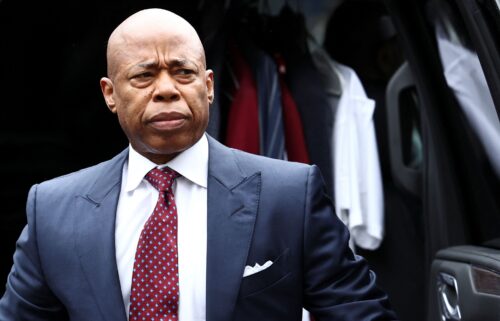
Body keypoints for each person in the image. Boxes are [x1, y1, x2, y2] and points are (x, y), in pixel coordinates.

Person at [0, 8, 398, 321]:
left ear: (207, 86)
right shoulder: (52, 210)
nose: (167, 89)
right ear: (110, 94)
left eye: (183, 72)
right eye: (143, 76)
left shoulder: (289, 196)